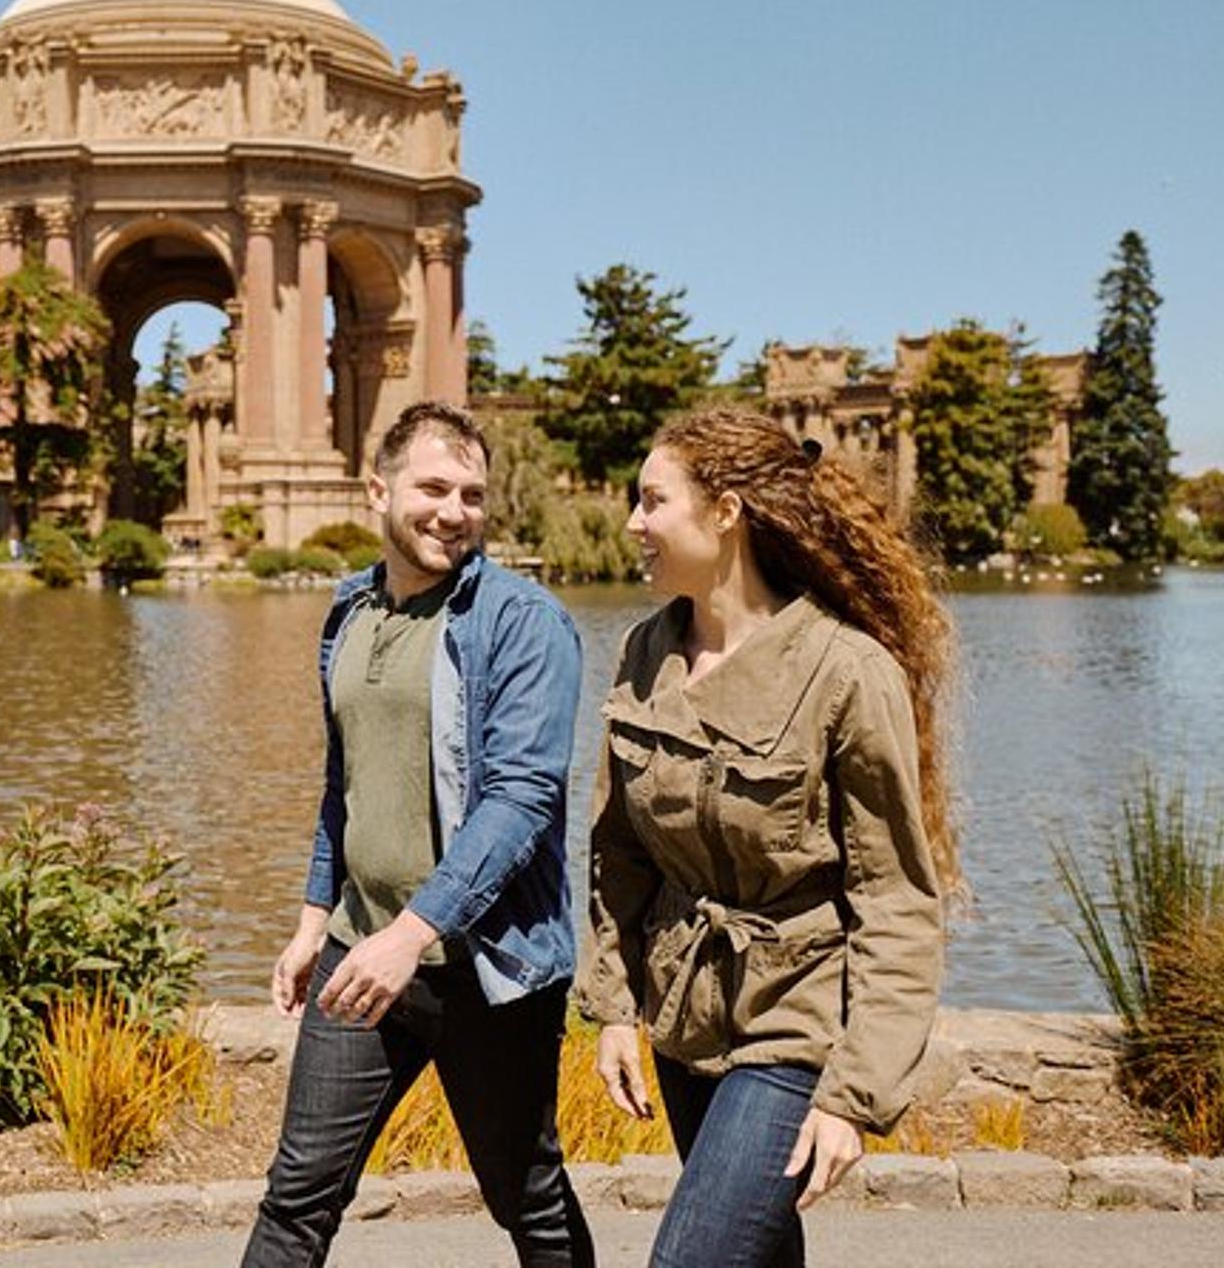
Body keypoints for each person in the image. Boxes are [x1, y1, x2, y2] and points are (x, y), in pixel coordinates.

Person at [577, 405, 957, 1268]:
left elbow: (897, 897)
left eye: (653, 500)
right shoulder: (644, 651)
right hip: (684, 1016)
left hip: (797, 1022)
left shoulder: (845, 670)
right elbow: (617, 851)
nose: (633, 522)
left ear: (726, 511)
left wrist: (855, 1091)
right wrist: (616, 1008)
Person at [243, 401, 594, 1268]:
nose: (453, 511)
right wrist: (313, 920)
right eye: (433, 488)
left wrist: (413, 933)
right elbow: (347, 783)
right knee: (298, 1196)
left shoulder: (522, 621)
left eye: (472, 494)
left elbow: (522, 799)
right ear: (379, 490)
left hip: (486, 965)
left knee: (527, 1193)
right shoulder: (348, 612)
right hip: (362, 949)